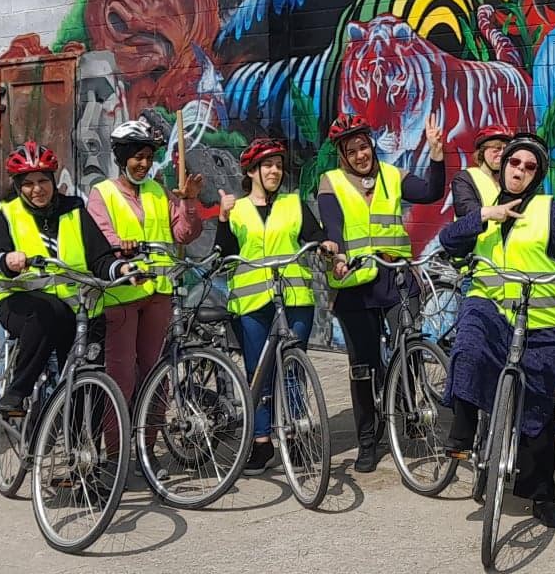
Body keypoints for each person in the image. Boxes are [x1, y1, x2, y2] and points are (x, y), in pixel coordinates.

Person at [437, 133, 555, 528]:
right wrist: (481, 218)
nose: (520, 171)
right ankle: (462, 434)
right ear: (504, 165)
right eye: (515, 164)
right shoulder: (486, 209)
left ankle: (542, 493)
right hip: (493, 310)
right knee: (469, 346)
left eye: (529, 167)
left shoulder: (548, 211)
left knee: (538, 411)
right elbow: (448, 240)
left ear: (537, 175)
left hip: (543, 324)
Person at [317, 113, 446, 474]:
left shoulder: (393, 175)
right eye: (352, 150)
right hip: (354, 284)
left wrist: (437, 155)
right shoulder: (331, 183)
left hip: (396, 276)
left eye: (364, 146)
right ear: (343, 155)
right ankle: (367, 441)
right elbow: (334, 225)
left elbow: (431, 192)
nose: (361, 155)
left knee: (409, 345)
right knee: (363, 365)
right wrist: (338, 253)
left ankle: (409, 411)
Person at [85, 117, 209, 413]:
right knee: (121, 378)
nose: (144, 164)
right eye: (138, 157)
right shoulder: (102, 193)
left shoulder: (159, 191)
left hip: (159, 292)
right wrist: (119, 247)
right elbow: (100, 237)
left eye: (149, 158)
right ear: (122, 158)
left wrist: (189, 203)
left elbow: (184, 233)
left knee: (155, 377)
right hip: (122, 295)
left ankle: (147, 450)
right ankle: (116, 453)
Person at [216, 137, 325, 471]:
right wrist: (222, 218)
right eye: (267, 165)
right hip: (252, 301)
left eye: (278, 165)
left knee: (292, 368)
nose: (275, 171)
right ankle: (261, 441)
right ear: (251, 171)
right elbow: (223, 254)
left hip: (294, 297)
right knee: (258, 374)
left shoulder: (294, 204)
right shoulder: (236, 209)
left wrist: (325, 246)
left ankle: (295, 434)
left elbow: (314, 237)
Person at [0, 141, 105, 418]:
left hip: (77, 306)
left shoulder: (75, 210)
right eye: (28, 183)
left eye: (42, 181)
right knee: (47, 313)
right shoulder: (8, 214)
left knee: (89, 379)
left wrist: (119, 269)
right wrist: (8, 260)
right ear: (18, 187)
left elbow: (101, 256)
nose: (37, 189)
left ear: (53, 180)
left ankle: (86, 453)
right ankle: (18, 391)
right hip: (21, 304)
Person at [449, 124, 513, 219]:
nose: (502, 153)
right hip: (479, 234)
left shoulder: (509, 180)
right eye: (497, 148)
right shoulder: (465, 178)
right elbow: (464, 209)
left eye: (507, 149)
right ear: (482, 152)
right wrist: (491, 213)